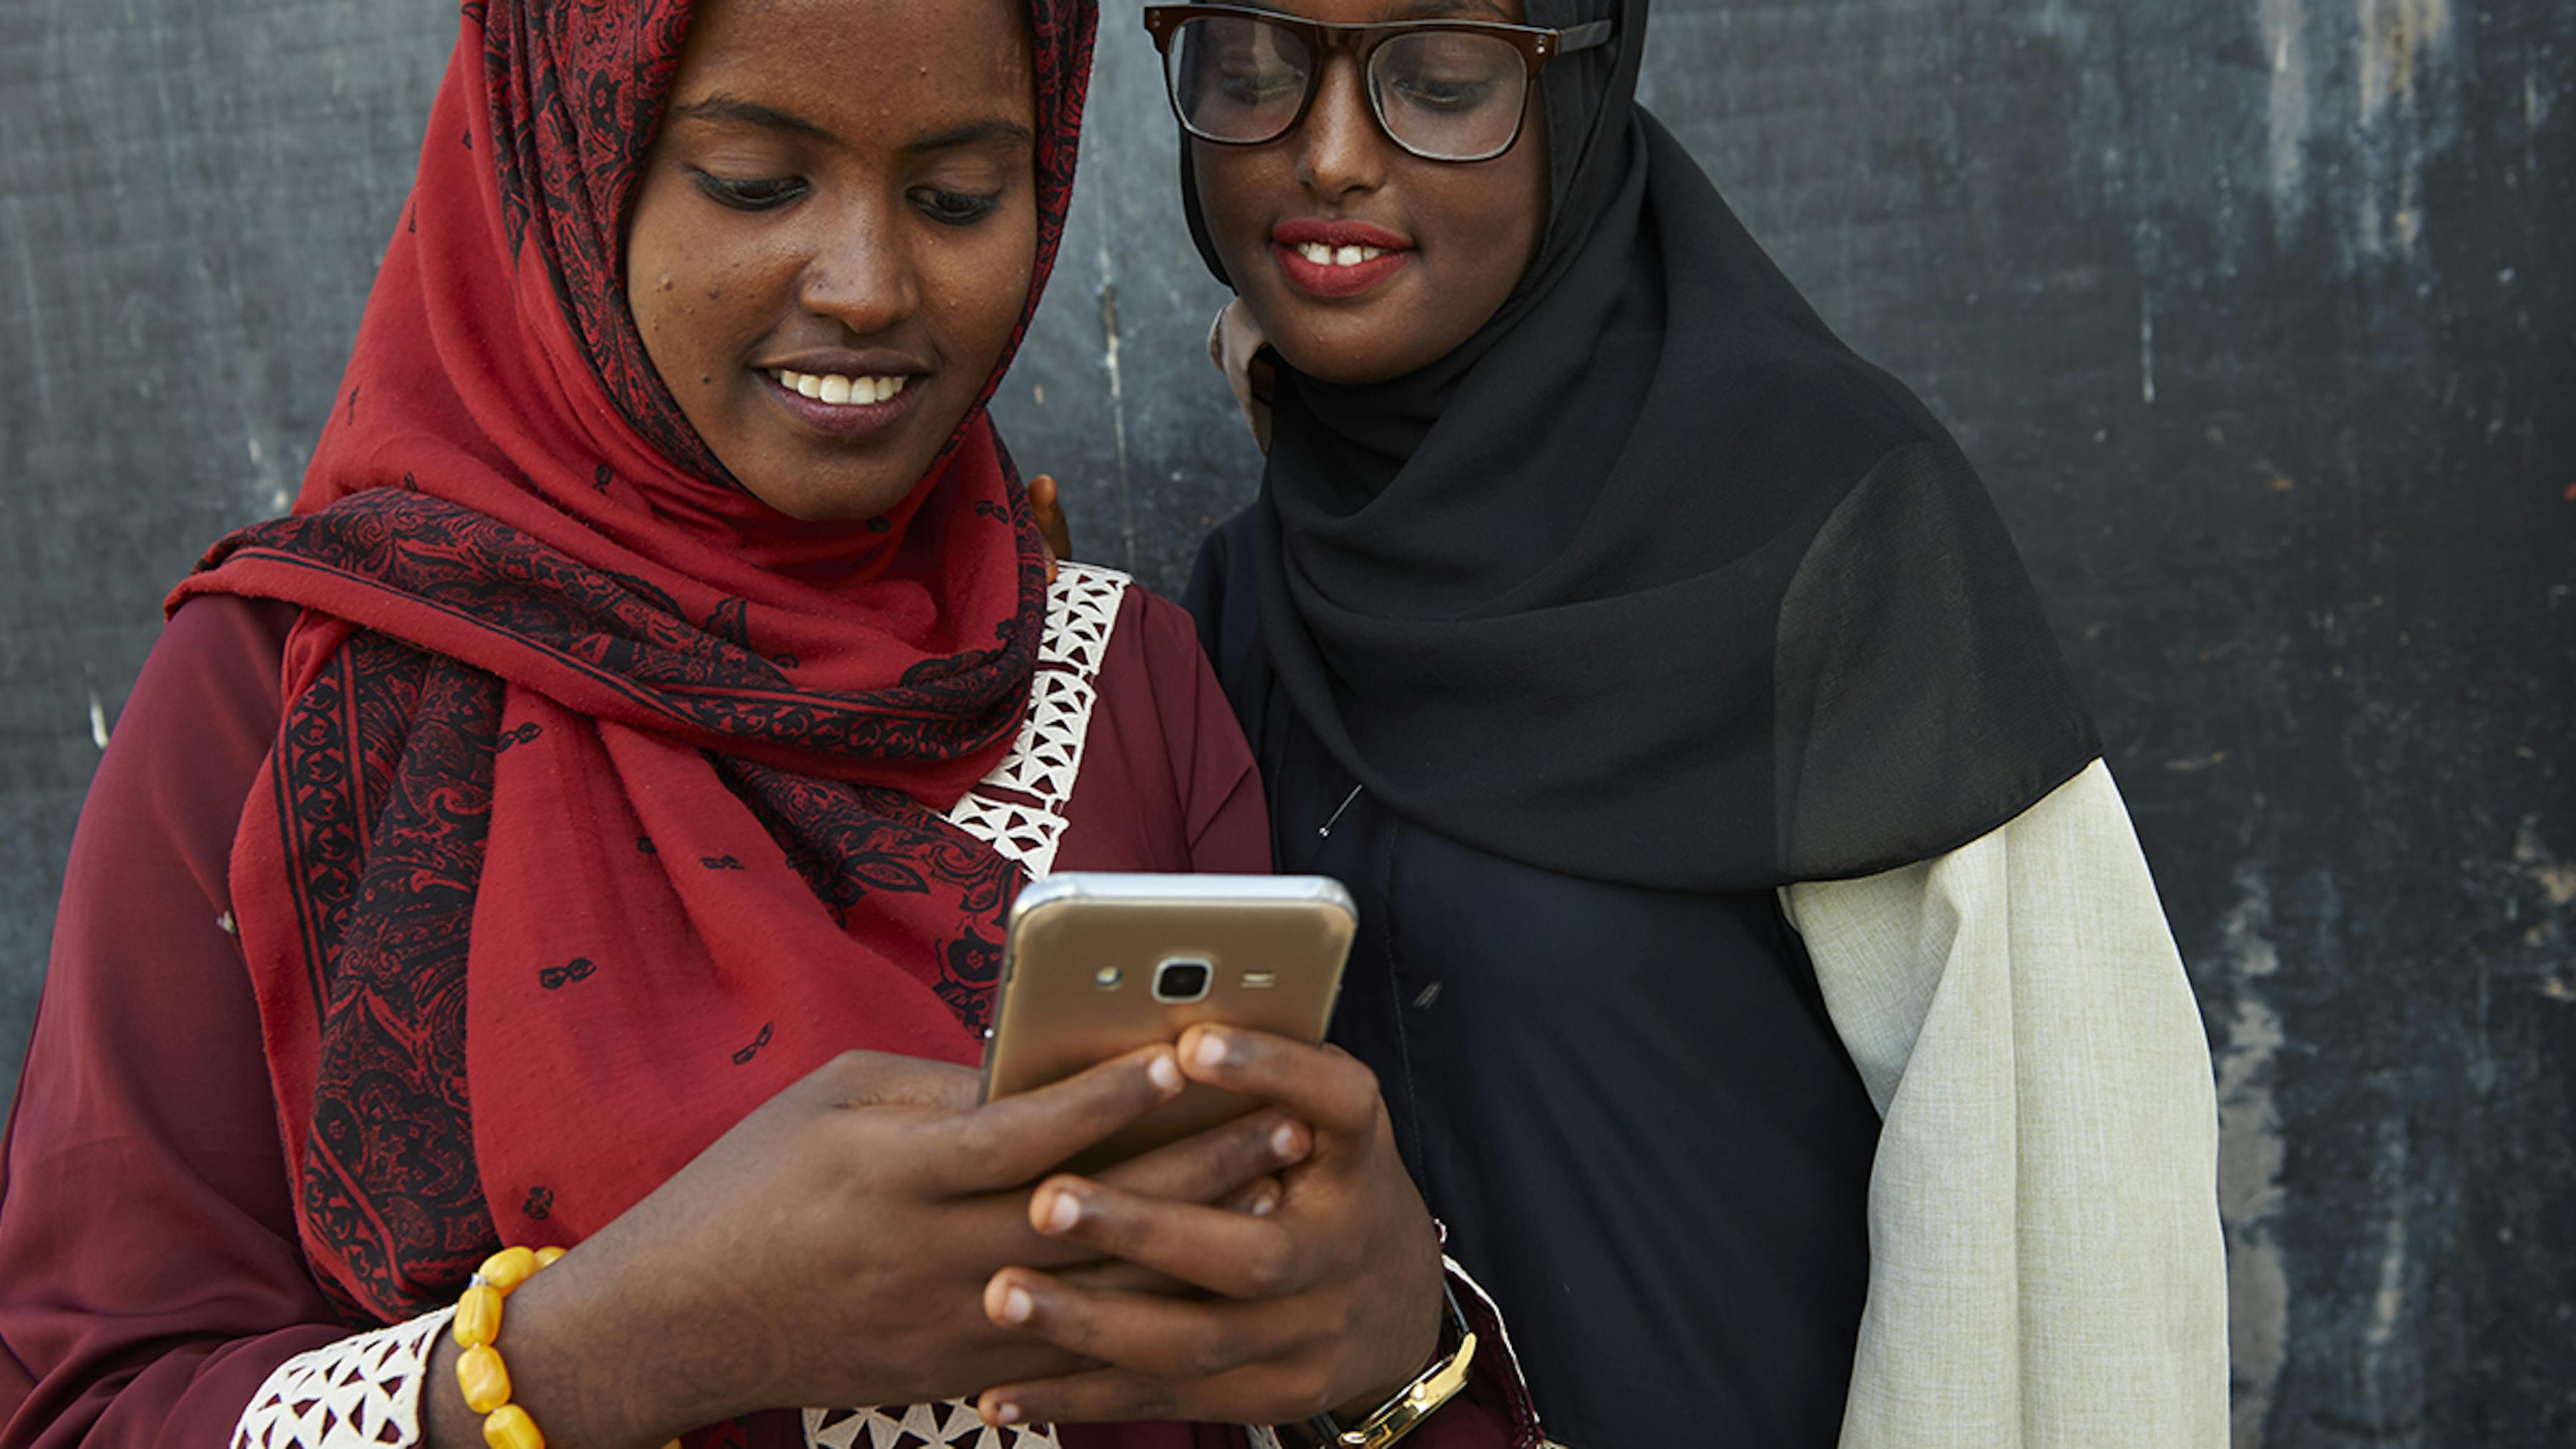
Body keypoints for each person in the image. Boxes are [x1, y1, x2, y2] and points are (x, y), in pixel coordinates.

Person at [0, 3, 1544, 1447]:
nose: (868, 283)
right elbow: (87, 1399)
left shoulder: (1118, 674)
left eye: (956, 198)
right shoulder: (283, 684)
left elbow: (1273, 1331)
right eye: (753, 182)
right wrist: (611, 1345)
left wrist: (1391, 1332)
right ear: (565, 157)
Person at [1150, 1, 2232, 1443]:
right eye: (1253, 70)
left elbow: (2052, 1222)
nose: (1331, 153)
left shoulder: (1822, 535)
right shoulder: (1250, 594)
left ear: (1579, 96)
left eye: (1446, 80)